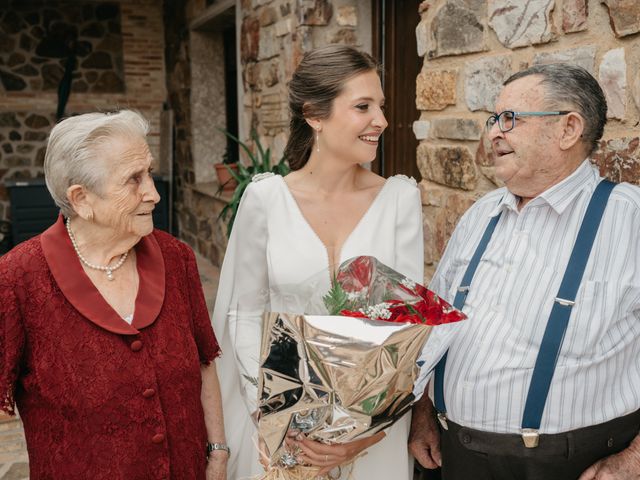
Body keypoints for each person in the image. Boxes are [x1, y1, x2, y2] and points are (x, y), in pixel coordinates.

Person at [408, 63, 640, 480]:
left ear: (568, 129)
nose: (494, 131)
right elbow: (434, 322)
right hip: (455, 455)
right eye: (494, 119)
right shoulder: (480, 214)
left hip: (570, 464)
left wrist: (633, 462)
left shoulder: (630, 219)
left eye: (510, 119)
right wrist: (423, 413)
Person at [212, 45, 424, 479]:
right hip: (280, 429)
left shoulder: (399, 199)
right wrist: (280, 412)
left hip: (368, 433)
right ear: (314, 114)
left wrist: (362, 431)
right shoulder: (265, 199)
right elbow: (245, 313)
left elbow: (405, 326)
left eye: (380, 106)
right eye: (363, 106)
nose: (381, 121)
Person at [0, 110, 228, 479]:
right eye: (133, 180)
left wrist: (217, 454)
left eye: (149, 173)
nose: (153, 193)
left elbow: (204, 361)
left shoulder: (177, 258)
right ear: (81, 199)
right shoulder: (17, 280)